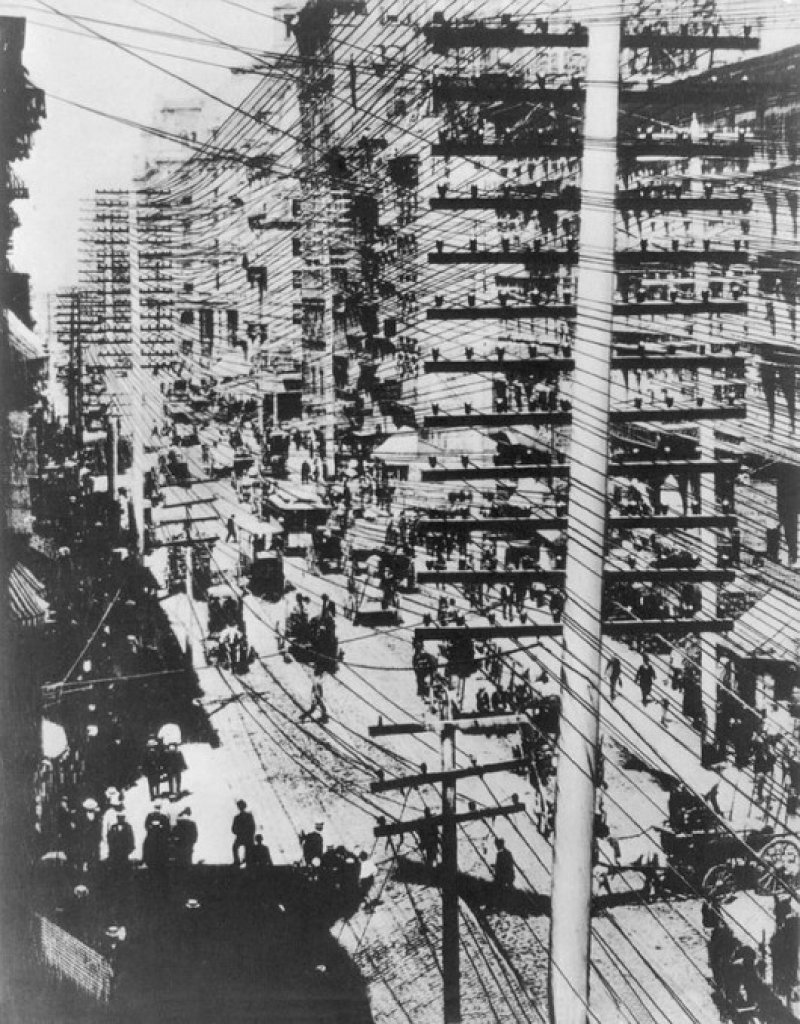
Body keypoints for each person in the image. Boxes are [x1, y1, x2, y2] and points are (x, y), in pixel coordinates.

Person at [107, 812, 135, 876]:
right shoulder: (113, 827)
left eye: (122, 818)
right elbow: (110, 838)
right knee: (115, 869)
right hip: (115, 852)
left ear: (124, 818)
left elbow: (131, 839)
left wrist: (129, 849)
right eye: (119, 818)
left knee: (124, 869)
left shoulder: (128, 827)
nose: (120, 819)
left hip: (124, 852)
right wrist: (111, 848)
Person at [232, 800, 256, 867]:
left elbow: (253, 827)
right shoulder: (237, 817)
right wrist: (238, 832)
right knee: (235, 847)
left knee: (248, 850)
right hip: (240, 836)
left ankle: (248, 862)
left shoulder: (249, 816)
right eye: (239, 806)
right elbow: (233, 828)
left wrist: (250, 834)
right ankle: (237, 861)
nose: (240, 807)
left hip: (248, 837)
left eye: (241, 806)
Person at [493, 838, 515, 904]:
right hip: (507, 875)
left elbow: (504, 866)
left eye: (497, 845)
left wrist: (497, 869)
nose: (496, 847)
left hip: (504, 876)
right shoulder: (507, 853)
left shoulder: (500, 854)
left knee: (500, 890)